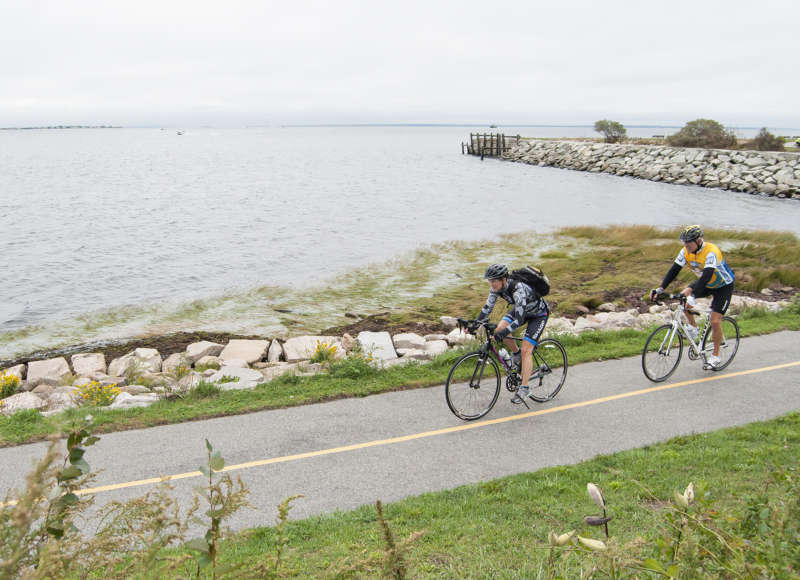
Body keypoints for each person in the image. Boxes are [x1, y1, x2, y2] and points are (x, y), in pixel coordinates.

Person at [650, 225, 735, 369]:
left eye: (688, 242)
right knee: (683, 297)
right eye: (684, 242)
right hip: (705, 282)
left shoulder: (711, 252)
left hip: (723, 286)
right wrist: (660, 288)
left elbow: (707, 275)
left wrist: (694, 296)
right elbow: (674, 270)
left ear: (699, 240)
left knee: (715, 321)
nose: (686, 245)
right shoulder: (685, 251)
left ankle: (715, 356)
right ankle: (694, 328)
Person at [471, 263, 549, 403]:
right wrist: (474, 325)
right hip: (523, 310)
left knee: (526, 349)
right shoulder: (496, 289)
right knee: (500, 329)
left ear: (503, 279)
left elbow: (518, 321)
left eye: (494, 280)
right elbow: (487, 308)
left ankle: (525, 388)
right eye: (490, 280)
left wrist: (503, 334)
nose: (492, 284)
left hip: (538, 315)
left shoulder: (518, 289)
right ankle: (516, 355)